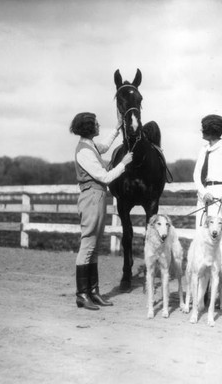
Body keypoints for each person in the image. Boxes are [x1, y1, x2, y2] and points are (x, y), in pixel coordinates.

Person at [70, 112, 133, 310]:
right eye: (96, 124)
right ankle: (82, 294)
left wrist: (116, 128)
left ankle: (93, 291)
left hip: (97, 197)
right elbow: (104, 177)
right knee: (88, 244)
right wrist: (123, 164)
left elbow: (104, 147)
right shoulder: (84, 151)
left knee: (94, 245)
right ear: (89, 127)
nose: (99, 126)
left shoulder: (90, 146)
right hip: (91, 197)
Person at [193, 114, 222, 307]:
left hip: (220, 199)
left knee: (220, 243)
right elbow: (196, 175)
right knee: (202, 241)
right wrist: (204, 193)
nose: (202, 131)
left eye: (204, 128)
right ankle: (202, 291)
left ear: (211, 130)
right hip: (204, 198)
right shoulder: (204, 149)